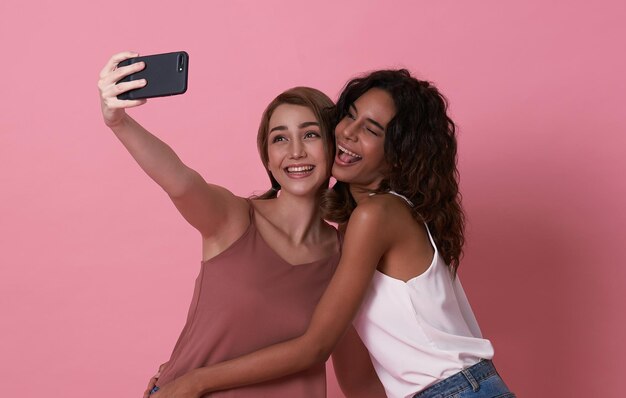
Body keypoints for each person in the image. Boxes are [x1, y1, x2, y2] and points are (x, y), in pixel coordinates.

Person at [155, 69, 515, 398]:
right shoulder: (353, 232)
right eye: (350, 115)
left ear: (399, 154)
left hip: (456, 390)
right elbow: (356, 378)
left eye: (371, 130)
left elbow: (314, 347)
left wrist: (195, 380)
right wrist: (187, 364)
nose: (348, 133)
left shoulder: (377, 216)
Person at [97, 51, 345, 398]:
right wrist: (118, 122)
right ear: (268, 159)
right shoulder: (234, 219)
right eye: (279, 138)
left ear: (334, 146)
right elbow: (182, 182)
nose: (295, 151)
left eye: (310, 135)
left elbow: (347, 362)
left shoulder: (346, 253)